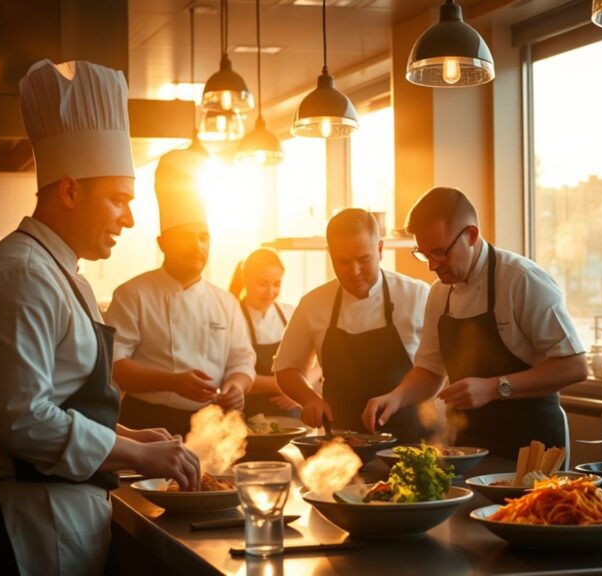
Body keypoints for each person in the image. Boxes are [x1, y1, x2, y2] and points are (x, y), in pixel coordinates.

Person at [0, 59, 200, 576]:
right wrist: (131, 453)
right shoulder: (19, 278)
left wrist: (130, 436)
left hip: (62, 518)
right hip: (29, 530)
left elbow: (63, 398)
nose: (128, 219)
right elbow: (24, 419)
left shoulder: (63, 274)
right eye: (117, 200)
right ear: (69, 190)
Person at [363, 187, 587, 458]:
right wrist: (394, 398)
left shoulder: (522, 279)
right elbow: (430, 370)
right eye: (423, 254)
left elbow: (574, 367)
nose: (432, 265)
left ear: (471, 235)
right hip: (467, 446)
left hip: (532, 445)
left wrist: (494, 388)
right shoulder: (439, 293)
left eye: (440, 252)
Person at [104, 150, 256, 435]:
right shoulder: (132, 294)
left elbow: (242, 360)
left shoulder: (225, 301)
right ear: (162, 242)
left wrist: (237, 386)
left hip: (213, 425)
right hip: (147, 422)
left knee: (216, 482)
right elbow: (115, 366)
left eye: (203, 237)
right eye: (186, 236)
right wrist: (172, 382)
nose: (198, 246)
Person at [274, 209, 430, 440]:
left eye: (364, 259)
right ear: (330, 255)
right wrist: (309, 398)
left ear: (380, 249)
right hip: (340, 445)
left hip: (411, 443)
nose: (354, 271)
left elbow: (438, 370)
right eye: (343, 261)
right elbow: (287, 368)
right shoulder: (313, 304)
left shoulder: (417, 295)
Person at [228, 248, 321, 417]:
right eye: (262, 284)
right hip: (249, 414)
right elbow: (234, 374)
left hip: (293, 412)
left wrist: (302, 391)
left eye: (276, 284)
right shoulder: (232, 316)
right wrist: (291, 387)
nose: (270, 291)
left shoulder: (290, 313)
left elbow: (320, 362)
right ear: (245, 279)